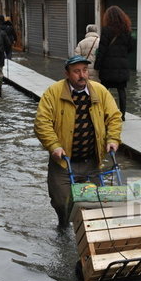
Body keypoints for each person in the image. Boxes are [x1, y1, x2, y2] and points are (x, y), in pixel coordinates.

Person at [34, 55, 122, 227]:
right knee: (62, 203)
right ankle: (63, 226)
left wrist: (112, 138)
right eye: (76, 72)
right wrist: (54, 146)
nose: (82, 75)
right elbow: (41, 122)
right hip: (64, 162)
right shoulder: (53, 92)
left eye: (84, 70)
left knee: (97, 204)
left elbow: (114, 117)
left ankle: (86, 237)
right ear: (67, 74)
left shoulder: (100, 91)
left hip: (92, 160)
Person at [94, 6, 133, 121]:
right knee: (121, 90)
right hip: (122, 66)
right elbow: (131, 48)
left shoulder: (106, 30)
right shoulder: (127, 31)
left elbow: (102, 49)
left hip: (108, 66)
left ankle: (104, 113)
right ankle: (123, 115)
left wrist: (97, 65)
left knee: (105, 90)